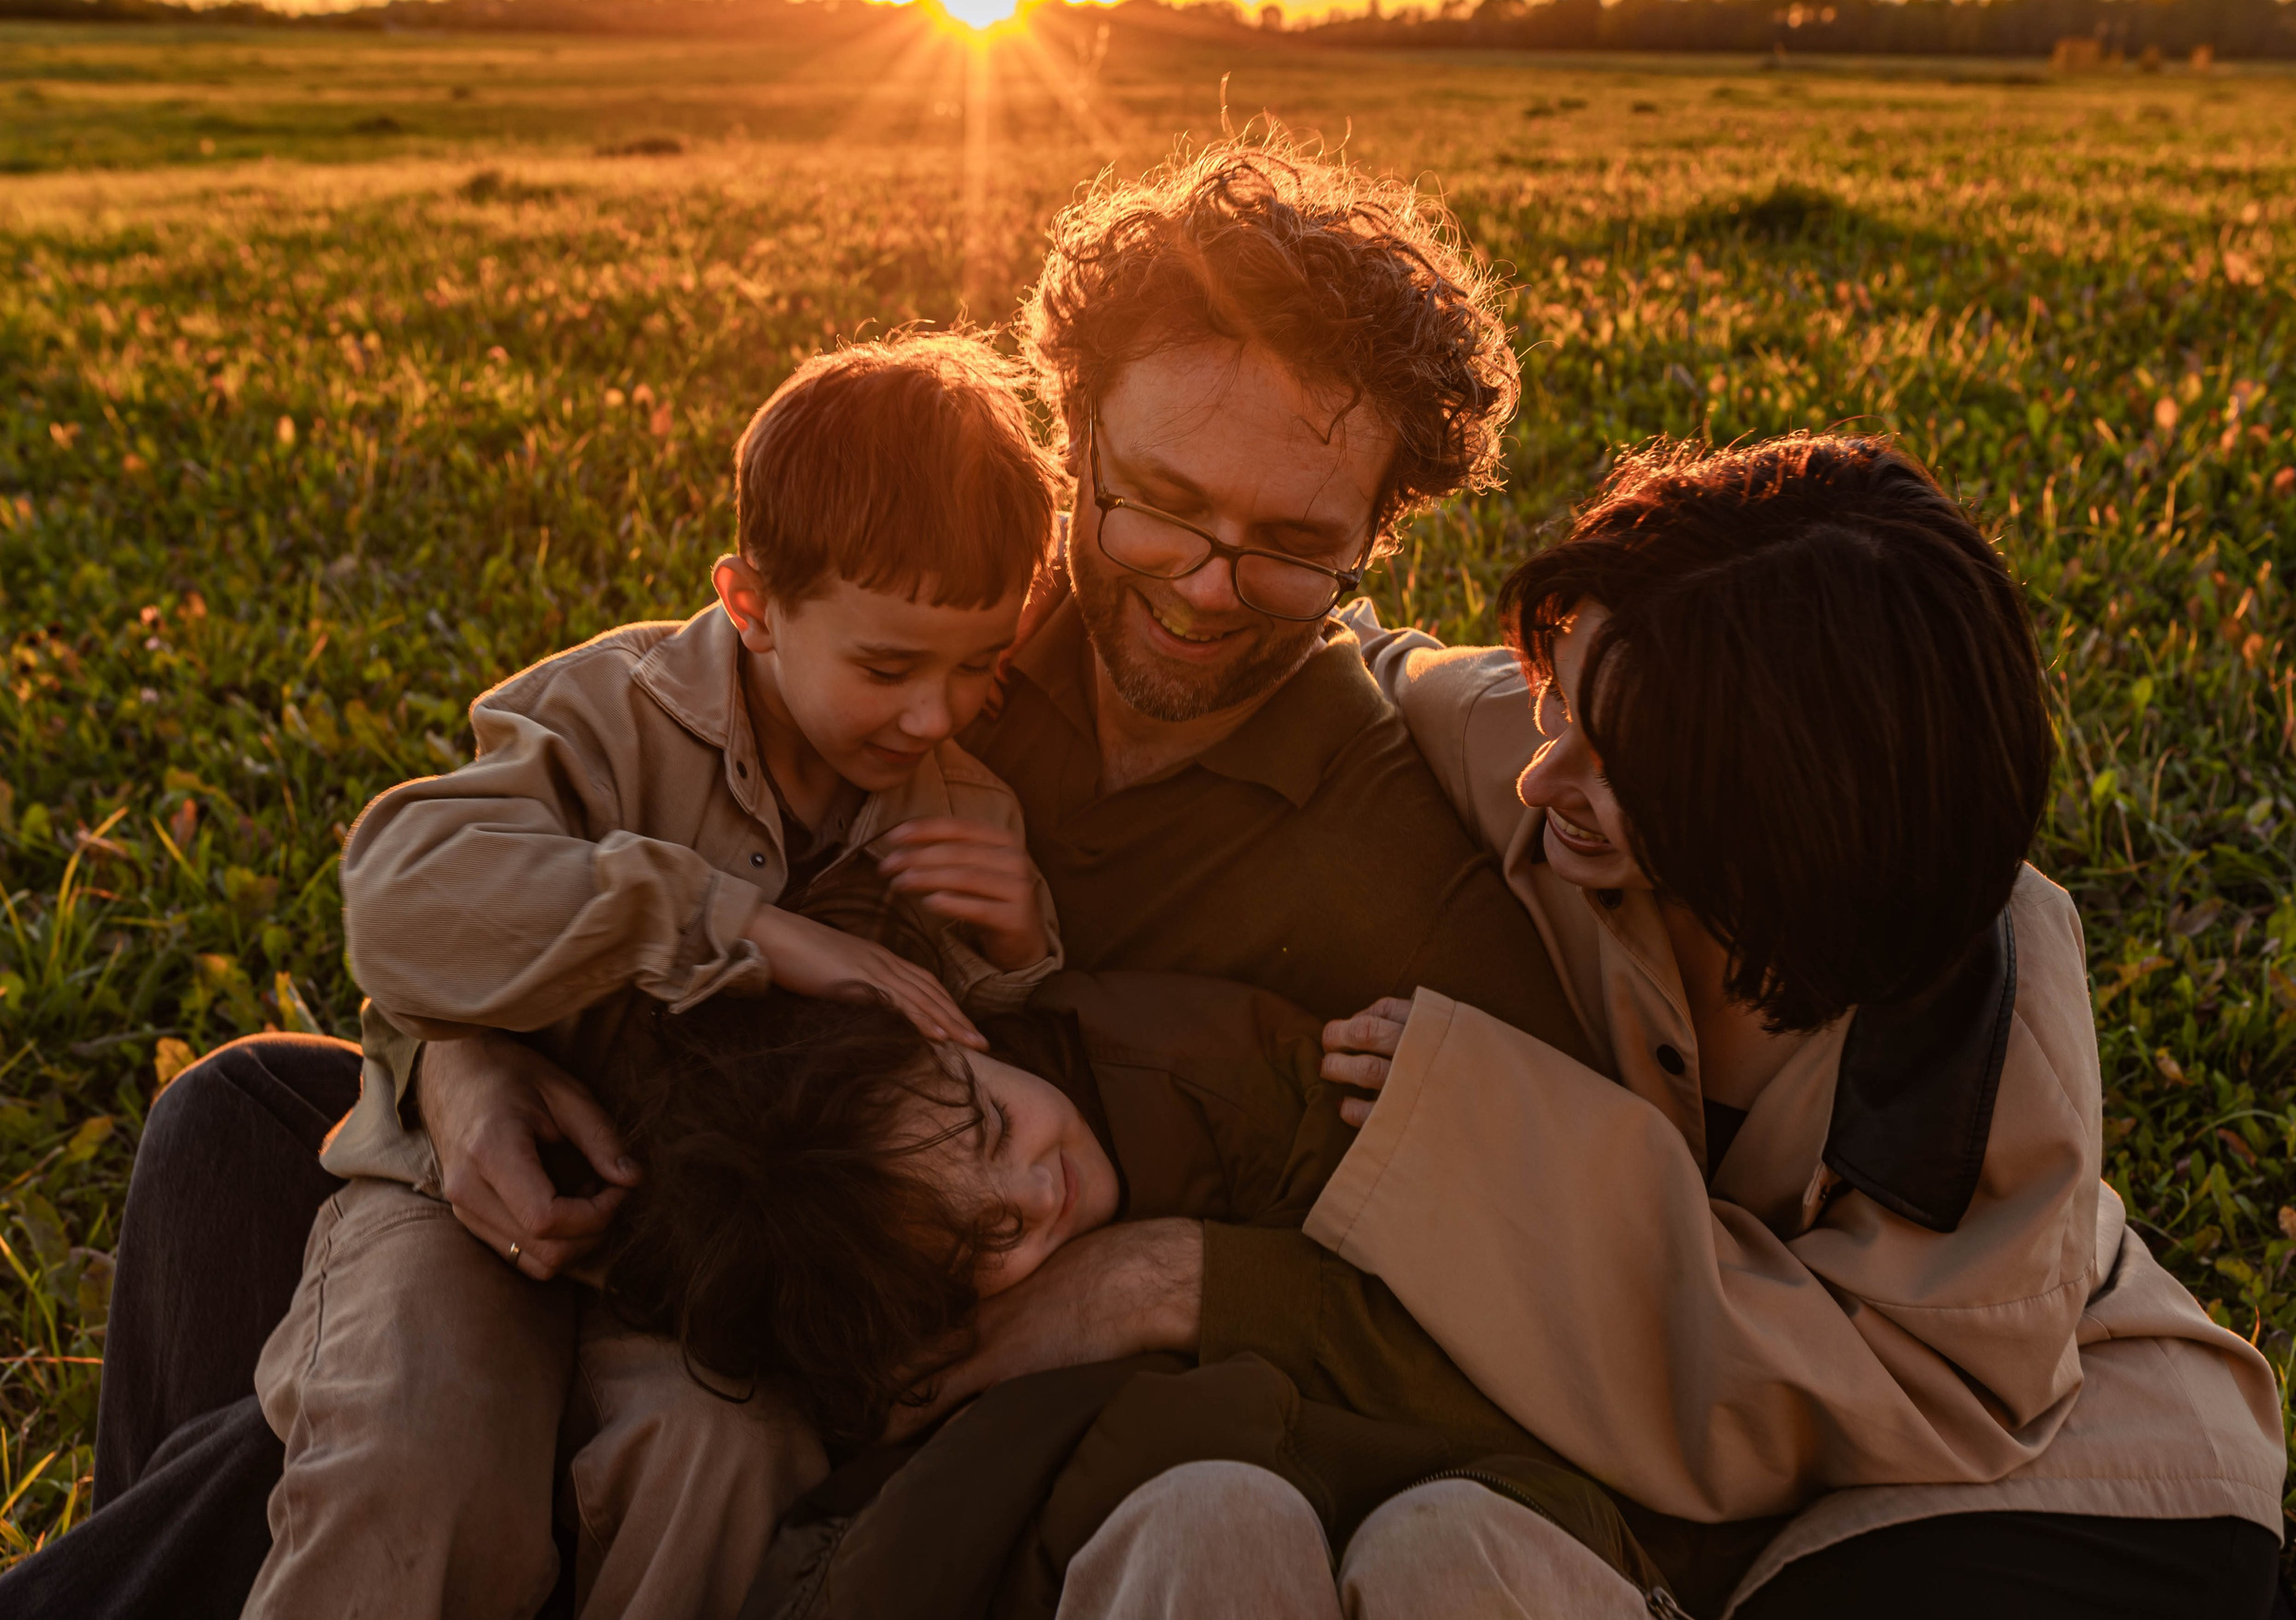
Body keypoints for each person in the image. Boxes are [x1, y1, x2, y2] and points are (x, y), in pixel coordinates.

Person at [22, 136, 1599, 1619]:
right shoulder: (952, 629)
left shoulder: (1404, 867)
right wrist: (460, 1059)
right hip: (655, 1187)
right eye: (1159, 505)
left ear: (1380, 534)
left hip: (879, 1362)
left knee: (431, 1405)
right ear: (1074, 449)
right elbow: (584, 832)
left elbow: (1559, 1307)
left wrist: (1169, 1281)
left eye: (1287, 546)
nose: (1201, 587)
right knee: (242, 1125)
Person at [1063, 434, 2284, 1618]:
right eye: (1558, 705)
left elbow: (1880, 1402)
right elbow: (1365, 661)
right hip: (1703, 1496)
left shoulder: (1976, 1003)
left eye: (1617, 765)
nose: (1545, 780)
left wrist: (1496, 1139)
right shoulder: (1557, 749)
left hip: (2050, 1486)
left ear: (1788, 805)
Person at [244, 330, 1069, 1620]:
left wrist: (1017, 952)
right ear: (749, 603)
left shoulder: (963, 810)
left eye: (980, 665)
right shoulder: (611, 710)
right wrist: (735, 920)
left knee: (730, 1463)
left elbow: (956, 1073)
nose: (934, 715)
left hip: (711, 1269)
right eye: (888, 666)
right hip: (454, 1200)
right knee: (417, 1452)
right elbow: (401, 901)